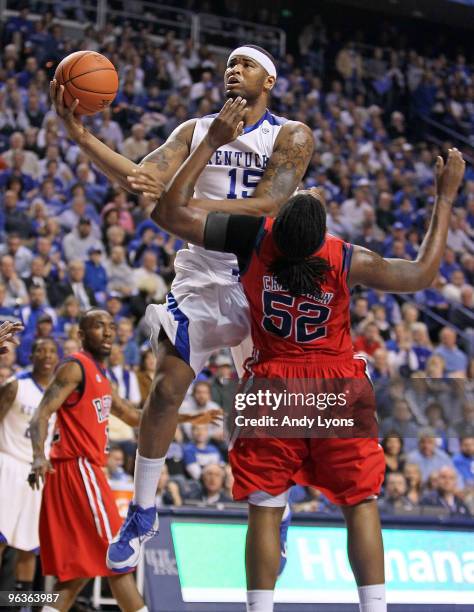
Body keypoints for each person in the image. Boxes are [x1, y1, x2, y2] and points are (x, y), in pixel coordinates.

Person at [142, 98, 465, 612]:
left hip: (272, 385)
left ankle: (260, 608)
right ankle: (374, 607)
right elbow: (423, 273)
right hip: (337, 385)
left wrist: (207, 145)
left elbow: (167, 211)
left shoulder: (254, 239)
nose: (310, 189)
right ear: (319, 232)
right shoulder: (343, 256)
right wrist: (444, 199)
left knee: (266, 510)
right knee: (361, 504)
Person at [50, 45, 313, 572]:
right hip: (200, 275)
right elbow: (142, 178)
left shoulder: (290, 134)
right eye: (229, 64)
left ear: (270, 82)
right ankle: (143, 511)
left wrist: (185, 205)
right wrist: (81, 135)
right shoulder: (195, 129)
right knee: (168, 384)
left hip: (261, 277)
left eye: (247, 65)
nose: (233, 70)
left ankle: (275, 510)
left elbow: (269, 205)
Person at [28, 310, 147, 612]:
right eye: (98, 326)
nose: (108, 332)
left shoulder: (101, 376)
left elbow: (134, 416)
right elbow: (40, 414)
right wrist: (38, 456)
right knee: (115, 553)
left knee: (79, 569)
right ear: (81, 335)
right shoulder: (75, 367)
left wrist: (184, 415)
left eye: (110, 326)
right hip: (77, 467)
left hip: (77, 471)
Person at [0, 338, 58, 596]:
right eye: (40, 350)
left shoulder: (59, 395)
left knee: (29, 544)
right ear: (31, 355)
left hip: (36, 474)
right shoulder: (15, 386)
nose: (46, 355)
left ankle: (21, 603)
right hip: (7, 465)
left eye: (51, 351)